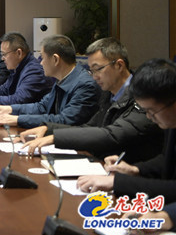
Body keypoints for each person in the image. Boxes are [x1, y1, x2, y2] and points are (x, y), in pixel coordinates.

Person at [20, 38, 162, 163]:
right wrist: (48, 129)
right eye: (92, 71)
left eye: (98, 69)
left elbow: (111, 134)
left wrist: (55, 137)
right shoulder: (108, 94)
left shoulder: (144, 96)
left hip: (133, 174)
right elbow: (90, 127)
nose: (94, 77)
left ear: (119, 65)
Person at [77, 59, 176, 208]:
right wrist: (136, 169)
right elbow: (167, 159)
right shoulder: (170, 120)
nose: (149, 117)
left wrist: (117, 182)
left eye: (152, 111)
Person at [0, 34, 100, 128]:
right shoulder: (63, 79)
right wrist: (9, 109)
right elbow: (42, 107)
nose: (41, 63)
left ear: (55, 59)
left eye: (43, 58)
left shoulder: (85, 85)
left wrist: (18, 119)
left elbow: (64, 120)